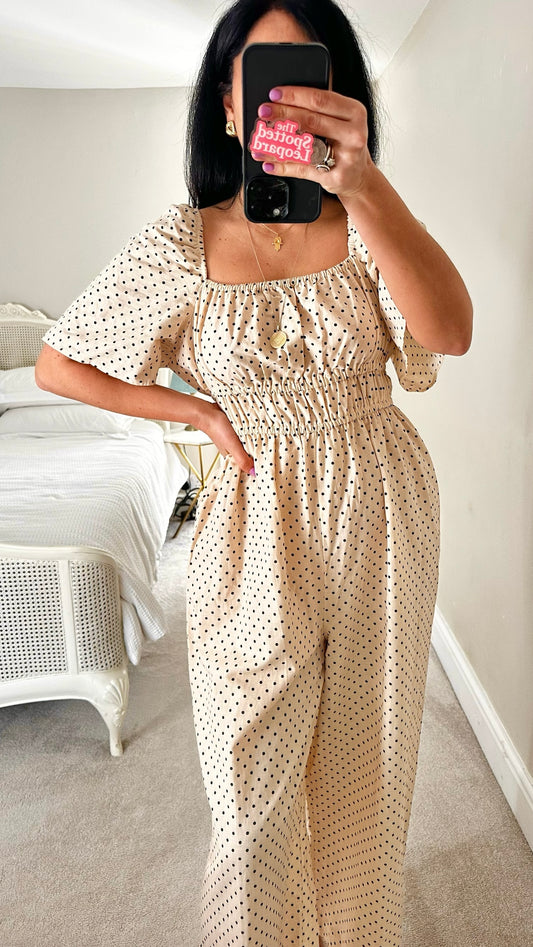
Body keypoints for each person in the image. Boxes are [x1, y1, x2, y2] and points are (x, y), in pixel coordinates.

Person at [35, 1, 473, 944]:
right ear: (230, 107)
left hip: (380, 500)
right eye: (264, 78)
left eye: (309, 76)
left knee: (367, 760)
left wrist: (364, 185)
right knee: (249, 787)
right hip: (250, 517)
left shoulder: (368, 222)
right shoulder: (179, 242)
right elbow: (59, 364)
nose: (287, 99)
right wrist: (194, 412)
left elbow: (447, 333)